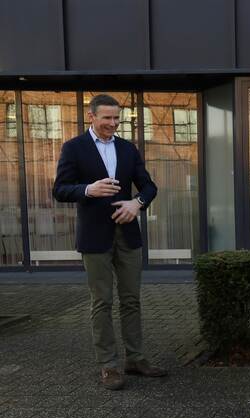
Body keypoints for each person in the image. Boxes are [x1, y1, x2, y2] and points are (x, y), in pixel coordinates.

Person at [53, 94, 165, 390]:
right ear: (91, 116)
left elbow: (149, 186)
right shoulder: (74, 148)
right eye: (107, 118)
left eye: (117, 118)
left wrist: (136, 204)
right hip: (95, 236)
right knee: (101, 302)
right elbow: (60, 190)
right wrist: (88, 189)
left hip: (128, 235)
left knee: (132, 300)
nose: (113, 124)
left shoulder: (127, 148)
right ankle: (109, 366)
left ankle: (135, 359)